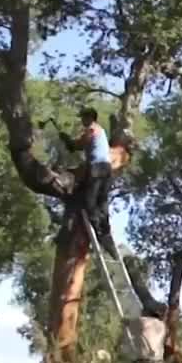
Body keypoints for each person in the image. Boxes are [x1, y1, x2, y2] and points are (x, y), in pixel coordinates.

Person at [61, 107, 116, 255]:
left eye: (83, 117)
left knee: (89, 201)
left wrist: (69, 142)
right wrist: (71, 143)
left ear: (90, 117)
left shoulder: (92, 129)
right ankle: (106, 232)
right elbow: (81, 146)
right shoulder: (101, 131)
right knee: (102, 201)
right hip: (107, 168)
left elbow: (80, 144)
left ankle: (99, 231)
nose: (82, 120)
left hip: (97, 168)